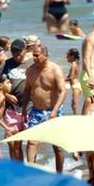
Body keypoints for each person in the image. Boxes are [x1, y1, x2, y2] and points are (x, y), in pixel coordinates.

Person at [19, 43, 67, 172]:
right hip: (35, 111)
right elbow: (27, 90)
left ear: (46, 55)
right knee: (32, 142)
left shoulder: (55, 69)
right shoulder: (30, 70)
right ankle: (31, 173)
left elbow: (63, 91)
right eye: (33, 55)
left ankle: (59, 174)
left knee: (57, 146)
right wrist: (24, 110)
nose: (34, 58)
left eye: (37, 55)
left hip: (53, 111)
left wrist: (55, 111)